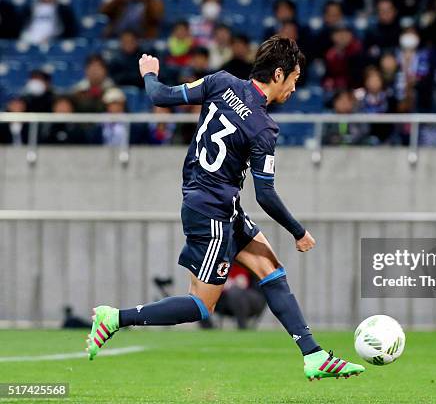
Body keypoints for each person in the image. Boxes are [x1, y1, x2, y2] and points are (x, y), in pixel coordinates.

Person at [86, 36, 365, 381]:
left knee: (270, 269)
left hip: (216, 203)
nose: (295, 86)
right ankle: (115, 318)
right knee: (202, 305)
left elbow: (159, 96)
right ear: (278, 74)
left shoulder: (222, 83)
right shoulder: (264, 127)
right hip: (212, 212)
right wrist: (299, 231)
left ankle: (314, 354)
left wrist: (149, 73)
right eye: (294, 78)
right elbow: (266, 195)